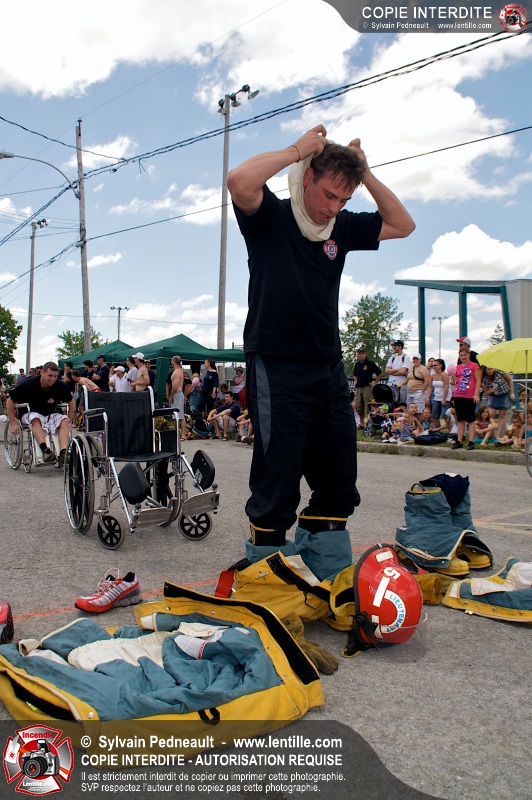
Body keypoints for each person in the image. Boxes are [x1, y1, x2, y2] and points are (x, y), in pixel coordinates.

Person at [227, 123, 415, 578]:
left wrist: (364, 173)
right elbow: (239, 180)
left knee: (338, 474)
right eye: (330, 195)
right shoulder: (270, 216)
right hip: (276, 363)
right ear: (308, 176)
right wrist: (298, 149)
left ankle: (324, 568)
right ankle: (268, 573)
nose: (334, 207)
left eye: (343, 200)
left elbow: (402, 225)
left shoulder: (340, 227)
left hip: (327, 367)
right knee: (278, 475)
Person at [6, 361, 75, 467]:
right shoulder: (29, 384)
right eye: (50, 376)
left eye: (55, 376)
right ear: (42, 372)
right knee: (36, 419)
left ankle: (63, 453)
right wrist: (12, 423)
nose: (52, 379)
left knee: (64, 420)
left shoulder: (60, 385)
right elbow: (9, 401)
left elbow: (71, 403)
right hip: (30, 413)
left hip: (50, 413)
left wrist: (69, 422)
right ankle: (45, 450)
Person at [450, 346, 481, 450]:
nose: (463, 357)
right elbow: (454, 381)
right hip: (458, 394)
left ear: (468, 355)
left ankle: (471, 441)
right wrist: (453, 380)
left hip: (469, 395)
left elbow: (478, 380)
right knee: (460, 419)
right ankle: (459, 441)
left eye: (465, 354)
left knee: (470, 419)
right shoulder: (458, 367)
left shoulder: (474, 366)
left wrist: (476, 394)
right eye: (461, 355)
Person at [352, 347, 382, 428]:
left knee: (368, 405)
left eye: (362, 353)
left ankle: (370, 423)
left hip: (367, 387)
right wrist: (356, 380)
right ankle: (361, 423)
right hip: (359, 387)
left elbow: (379, 373)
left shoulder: (370, 363)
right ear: (357, 355)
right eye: (359, 354)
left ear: (365, 354)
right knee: (359, 406)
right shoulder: (357, 364)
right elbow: (354, 374)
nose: (361, 355)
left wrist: (375, 382)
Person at [481, 367, 514, 439]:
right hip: (493, 396)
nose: (490, 371)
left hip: (504, 394)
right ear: (485, 370)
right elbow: (486, 392)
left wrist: (512, 393)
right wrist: (491, 390)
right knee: (490, 415)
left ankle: (498, 435)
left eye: (491, 369)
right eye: (488, 369)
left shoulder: (500, 372)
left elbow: (510, 380)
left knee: (502, 415)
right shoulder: (485, 379)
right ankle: (489, 434)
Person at [400, 353, 430, 418]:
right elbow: (408, 379)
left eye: (417, 359)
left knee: (418, 411)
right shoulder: (411, 368)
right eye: (414, 359)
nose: (415, 360)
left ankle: (419, 423)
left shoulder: (423, 368)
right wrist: (401, 384)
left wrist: (422, 391)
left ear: (420, 359)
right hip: (410, 392)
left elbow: (427, 380)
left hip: (418, 391)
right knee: (410, 411)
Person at [385, 340, 411, 405]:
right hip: (391, 385)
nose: (394, 348)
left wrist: (392, 372)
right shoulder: (392, 357)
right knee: (391, 404)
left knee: (401, 403)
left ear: (400, 346)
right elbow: (386, 370)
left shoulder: (405, 357)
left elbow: (403, 372)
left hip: (401, 385)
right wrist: (398, 369)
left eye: (395, 346)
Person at [168, 355, 187, 441]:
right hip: (178, 394)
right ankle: (177, 434)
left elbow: (175, 386)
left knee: (180, 415)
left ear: (173, 362)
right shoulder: (180, 371)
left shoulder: (176, 372)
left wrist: (170, 396)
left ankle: (183, 435)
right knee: (176, 415)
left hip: (177, 394)